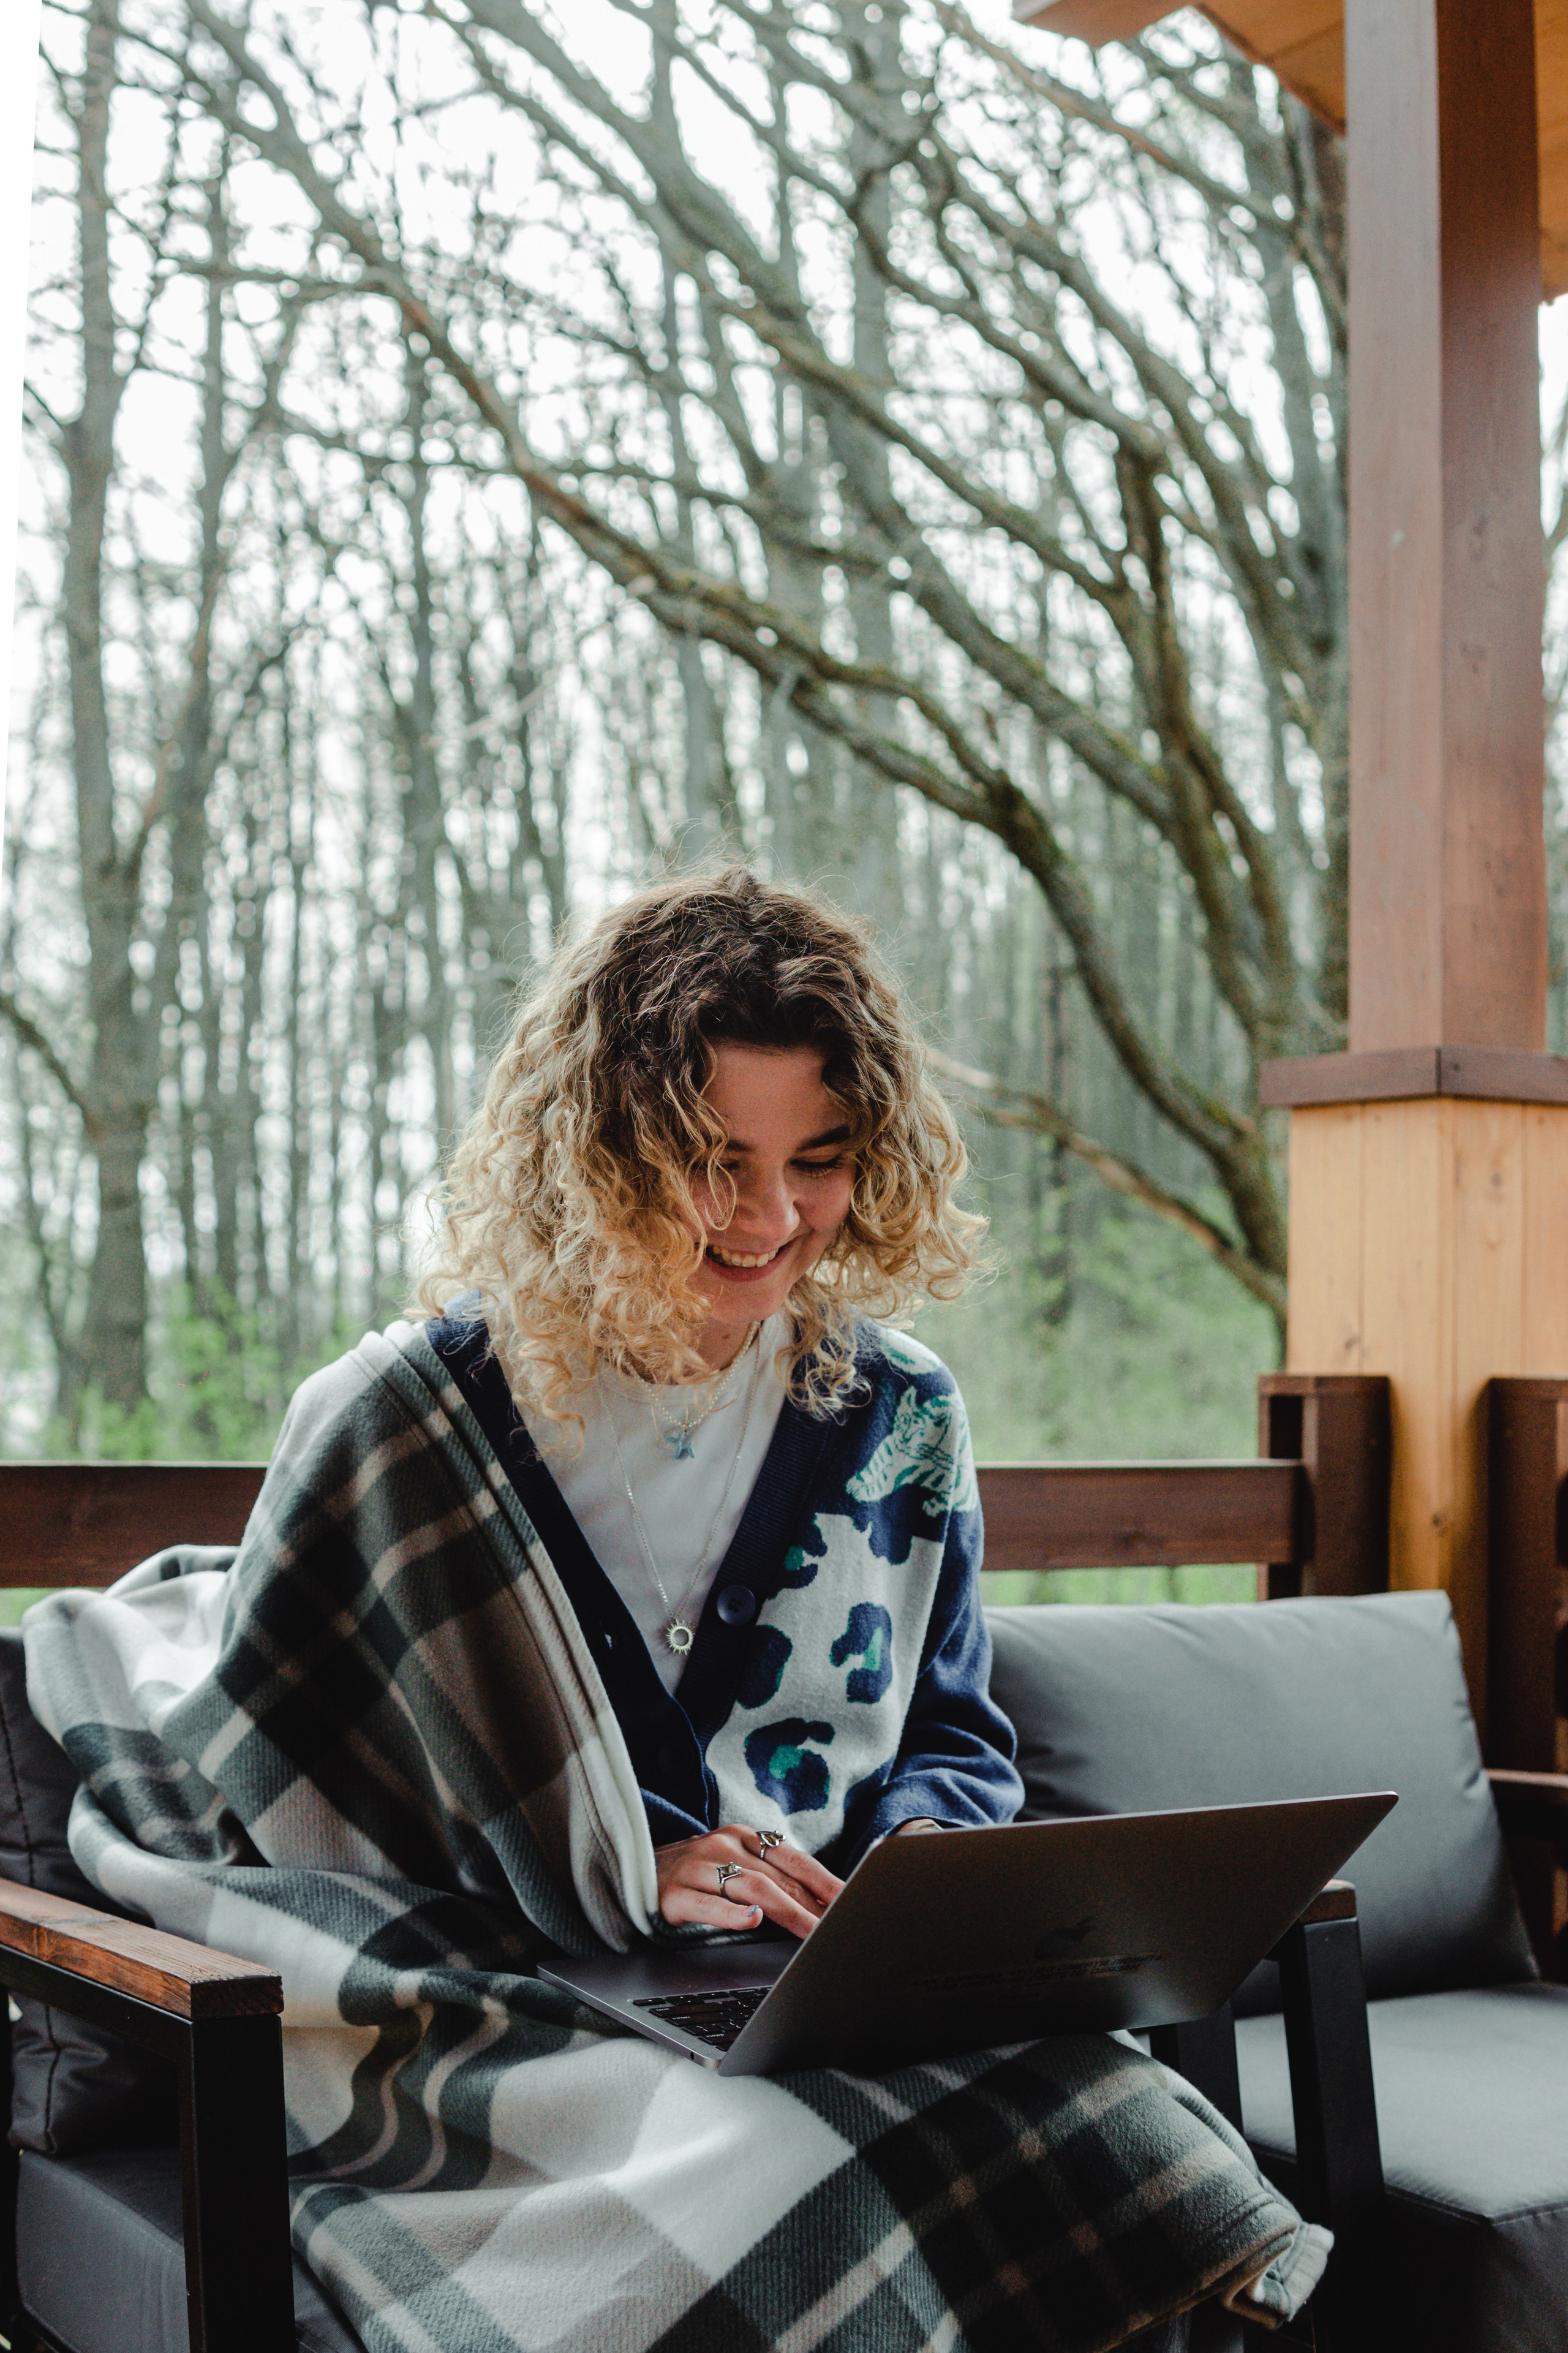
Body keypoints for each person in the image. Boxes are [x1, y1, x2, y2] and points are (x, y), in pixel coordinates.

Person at [25, 869, 1328, 2353]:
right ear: (594, 1153)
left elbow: (953, 1733)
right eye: (712, 1161)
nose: (770, 1218)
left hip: (808, 1992)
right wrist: (615, 1862)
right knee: (797, 2181)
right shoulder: (401, 1423)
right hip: (510, 1996)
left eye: (819, 1160)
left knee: (1126, 2129)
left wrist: (914, 1877)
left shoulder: (900, 1412)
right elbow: (296, 1809)